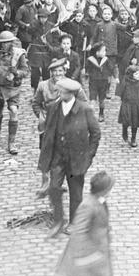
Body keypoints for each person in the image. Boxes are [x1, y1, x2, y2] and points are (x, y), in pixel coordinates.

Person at [38, 78, 101, 238]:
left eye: (62, 91)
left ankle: (74, 222)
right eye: (59, 90)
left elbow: (95, 133)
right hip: (58, 158)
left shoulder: (84, 109)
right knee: (53, 188)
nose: (59, 93)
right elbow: (48, 132)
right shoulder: (53, 108)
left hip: (77, 159)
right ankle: (58, 220)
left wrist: (89, 156)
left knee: (76, 193)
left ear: (70, 93)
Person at [55, 170, 115, 276]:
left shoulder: (100, 200)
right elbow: (78, 232)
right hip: (88, 256)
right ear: (103, 190)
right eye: (110, 188)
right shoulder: (88, 205)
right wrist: (83, 257)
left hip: (98, 254)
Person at [0, 30, 29, 153]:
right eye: (2, 43)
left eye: (7, 43)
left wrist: (16, 72)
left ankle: (11, 142)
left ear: (12, 42)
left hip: (13, 88)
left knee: (14, 111)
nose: (4, 45)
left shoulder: (19, 55)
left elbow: (25, 71)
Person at [86, 42, 116, 123]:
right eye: (103, 51)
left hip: (103, 82)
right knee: (92, 99)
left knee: (101, 100)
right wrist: (87, 73)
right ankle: (91, 116)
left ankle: (101, 114)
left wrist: (115, 77)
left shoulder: (106, 60)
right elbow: (87, 69)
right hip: (93, 82)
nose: (105, 53)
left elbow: (112, 68)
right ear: (97, 52)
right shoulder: (90, 60)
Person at [117, 64, 139, 148]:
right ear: (131, 75)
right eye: (136, 74)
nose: (138, 75)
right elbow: (121, 92)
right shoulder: (126, 83)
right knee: (126, 119)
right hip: (127, 104)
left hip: (137, 105)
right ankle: (124, 130)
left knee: (135, 122)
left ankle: (133, 138)